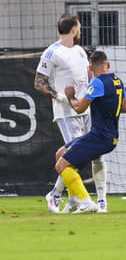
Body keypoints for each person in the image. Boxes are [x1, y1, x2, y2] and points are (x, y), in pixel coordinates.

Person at [34, 13, 108, 213]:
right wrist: (59, 96)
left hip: (86, 109)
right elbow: (39, 82)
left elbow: (88, 76)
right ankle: (59, 195)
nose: (81, 30)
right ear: (74, 28)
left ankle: (99, 201)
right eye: (80, 27)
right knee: (75, 155)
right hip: (67, 113)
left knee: (96, 154)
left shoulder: (80, 51)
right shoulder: (52, 52)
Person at [52, 51, 126, 213]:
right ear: (107, 65)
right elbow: (125, 108)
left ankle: (85, 201)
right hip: (109, 137)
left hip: (99, 137)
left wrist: (70, 95)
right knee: (60, 154)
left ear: (90, 68)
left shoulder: (97, 83)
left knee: (61, 165)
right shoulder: (118, 81)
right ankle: (73, 199)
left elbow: (79, 108)